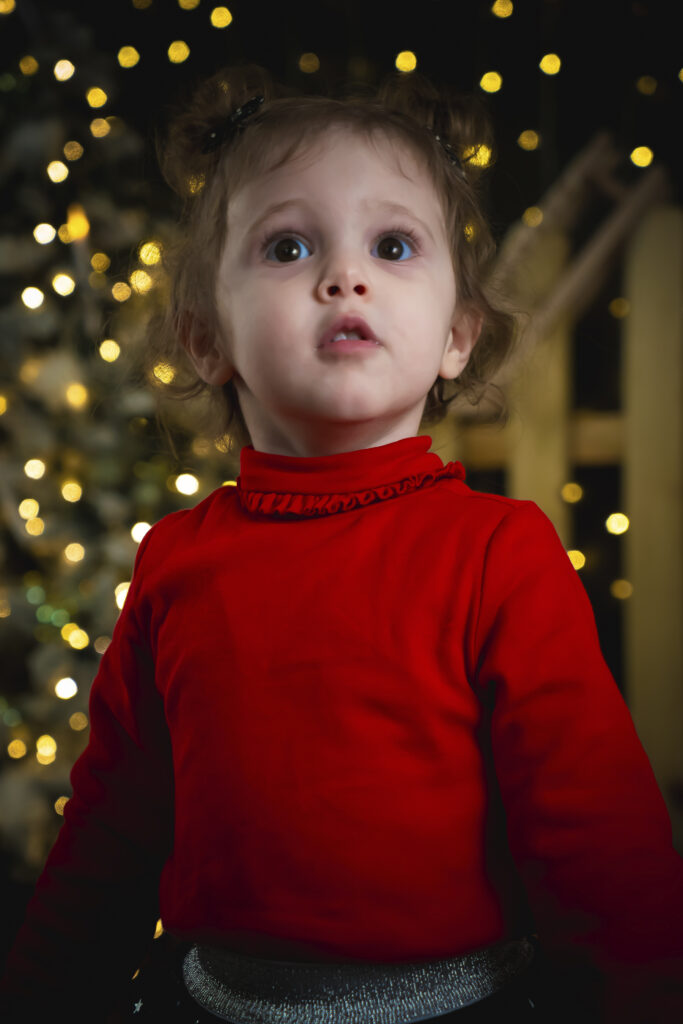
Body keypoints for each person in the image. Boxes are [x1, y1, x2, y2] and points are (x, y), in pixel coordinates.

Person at [1, 63, 682, 1024]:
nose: (344, 275)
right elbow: (111, 836)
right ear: (206, 339)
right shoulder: (177, 563)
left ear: (457, 334)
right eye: (287, 246)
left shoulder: (496, 553)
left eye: (393, 244)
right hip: (212, 1004)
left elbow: (598, 844)